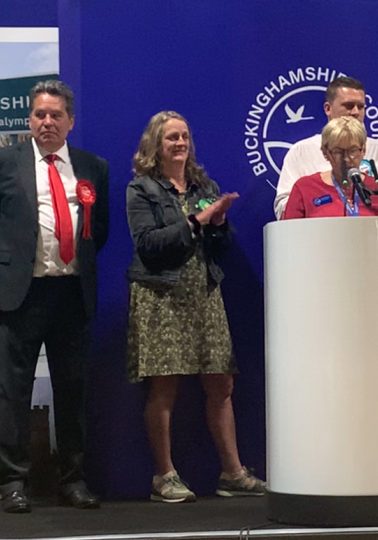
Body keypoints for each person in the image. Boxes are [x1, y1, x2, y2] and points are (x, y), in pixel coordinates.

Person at [0, 80, 109, 513]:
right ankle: (12, 482)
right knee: (12, 391)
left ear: (70, 122)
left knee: (72, 391)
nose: (47, 122)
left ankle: (72, 480)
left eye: (55, 115)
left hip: (71, 293)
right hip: (19, 294)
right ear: (30, 120)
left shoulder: (92, 166)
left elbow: (97, 232)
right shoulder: (2, 161)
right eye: (40, 114)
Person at [125, 111, 265, 504]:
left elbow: (218, 247)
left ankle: (232, 473)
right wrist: (197, 220)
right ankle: (164, 476)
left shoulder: (205, 186)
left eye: (185, 136)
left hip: (204, 293)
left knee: (222, 384)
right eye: (172, 137)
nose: (180, 143)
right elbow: (149, 244)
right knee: (165, 386)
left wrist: (217, 223)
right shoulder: (142, 188)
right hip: (160, 295)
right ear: (156, 144)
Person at [274, 76, 378, 218]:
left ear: (363, 150)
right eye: (349, 105)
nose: (356, 112)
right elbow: (285, 209)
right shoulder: (300, 151)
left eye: (360, 107)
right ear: (328, 108)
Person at [282, 116, 378, 219]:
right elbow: (288, 236)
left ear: (363, 151)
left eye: (353, 151)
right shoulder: (305, 188)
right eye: (338, 152)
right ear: (325, 153)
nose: (346, 159)